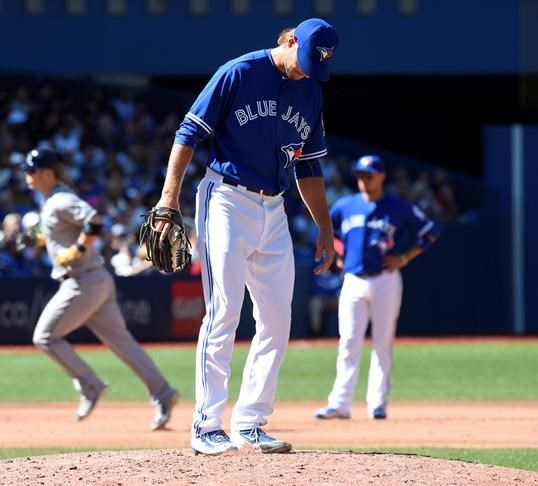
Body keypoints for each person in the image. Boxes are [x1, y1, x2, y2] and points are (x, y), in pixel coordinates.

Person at [155, 18, 338, 455]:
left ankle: (251, 422)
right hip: (226, 201)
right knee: (223, 314)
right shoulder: (239, 72)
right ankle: (205, 425)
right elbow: (189, 133)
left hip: (274, 208)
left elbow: (308, 166)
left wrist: (325, 226)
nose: (308, 70)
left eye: (319, 65)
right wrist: (168, 200)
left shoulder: (311, 90)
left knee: (277, 320)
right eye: (307, 58)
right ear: (291, 40)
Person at [21, 147, 178, 429]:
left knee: (45, 337)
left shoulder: (60, 200)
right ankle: (163, 393)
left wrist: (79, 248)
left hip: (82, 282)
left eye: (31, 171)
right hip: (97, 281)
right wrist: (41, 240)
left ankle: (90, 384)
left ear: (47, 173)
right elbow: (62, 230)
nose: (26, 175)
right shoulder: (51, 201)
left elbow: (94, 221)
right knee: (123, 343)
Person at [314, 155, 439, 420]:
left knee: (382, 342)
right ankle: (340, 403)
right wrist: (336, 254)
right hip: (353, 280)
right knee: (348, 342)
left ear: (382, 176)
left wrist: (404, 257)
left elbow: (429, 232)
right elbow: (327, 230)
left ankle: (377, 403)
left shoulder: (397, 207)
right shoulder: (345, 206)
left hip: (385, 278)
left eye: (369, 175)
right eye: (360, 175)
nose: (363, 180)